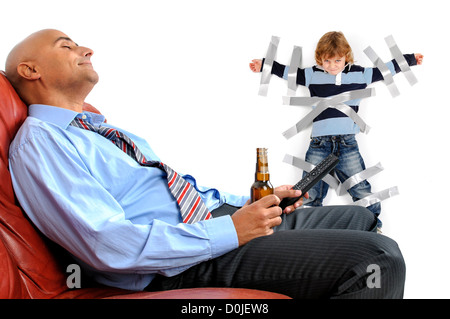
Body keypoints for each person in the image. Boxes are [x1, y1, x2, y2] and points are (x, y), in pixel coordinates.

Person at [6, 29, 406, 298]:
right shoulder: (41, 143)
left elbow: (176, 193)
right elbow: (106, 244)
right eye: (66, 46)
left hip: (212, 219)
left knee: (358, 218)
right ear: (31, 70)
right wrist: (231, 230)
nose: (86, 50)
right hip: (178, 260)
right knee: (376, 258)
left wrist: (252, 203)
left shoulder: (98, 130)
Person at [250, 31, 424, 229]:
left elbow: (385, 70)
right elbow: (289, 72)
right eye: (327, 61)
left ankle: (374, 229)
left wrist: (410, 59)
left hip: (347, 144)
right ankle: (307, 232)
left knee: (360, 189)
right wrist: (265, 64)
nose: (332, 66)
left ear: (346, 57)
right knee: (309, 192)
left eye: (337, 61)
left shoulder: (359, 74)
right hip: (319, 145)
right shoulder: (312, 75)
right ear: (320, 59)